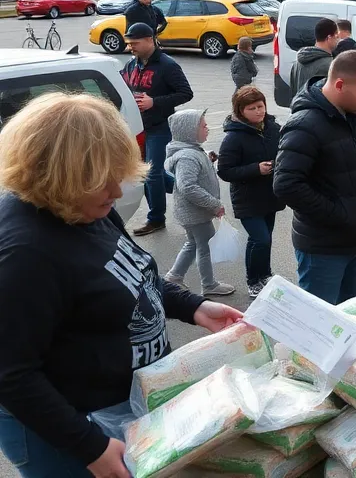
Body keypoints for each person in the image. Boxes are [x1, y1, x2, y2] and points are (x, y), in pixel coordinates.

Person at [0, 93, 242, 478]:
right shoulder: (24, 252)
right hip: (69, 430)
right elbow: (11, 374)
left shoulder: (85, 207)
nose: (117, 192)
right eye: (104, 180)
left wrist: (193, 306)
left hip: (123, 407)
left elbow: (135, 273)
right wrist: (89, 446)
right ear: (59, 176)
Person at [274, 50, 356, 305]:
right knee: (321, 324)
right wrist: (341, 215)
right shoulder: (304, 124)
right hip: (324, 250)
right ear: (339, 85)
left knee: (354, 318)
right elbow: (287, 185)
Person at [121, 22, 194, 236]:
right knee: (151, 174)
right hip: (136, 127)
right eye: (129, 43)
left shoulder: (167, 65)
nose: (131, 47)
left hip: (159, 126)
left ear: (149, 40)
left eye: (134, 43)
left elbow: (185, 93)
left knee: (151, 174)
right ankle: (189, 190)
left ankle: (156, 219)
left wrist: (155, 102)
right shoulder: (132, 64)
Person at [217, 86, 284, 298]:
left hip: (270, 194)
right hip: (247, 198)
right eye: (252, 108)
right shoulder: (233, 138)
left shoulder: (273, 128)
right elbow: (225, 171)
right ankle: (253, 281)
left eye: (261, 106)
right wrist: (256, 169)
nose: (258, 111)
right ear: (240, 111)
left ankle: (265, 274)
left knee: (267, 238)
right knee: (259, 239)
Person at [163, 109, 235, 296]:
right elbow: (187, 186)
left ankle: (174, 276)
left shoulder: (192, 150)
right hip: (195, 214)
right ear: (189, 131)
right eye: (203, 126)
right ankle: (209, 284)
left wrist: (207, 158)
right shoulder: (188, 156)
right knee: (205, 247)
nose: (207, 128)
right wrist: (214, 204)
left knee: (193, 243)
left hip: (192, 213)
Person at [289, 17, 339, 97]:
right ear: (329, 38)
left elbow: (292, 92)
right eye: (336, 36)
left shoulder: (297, 63)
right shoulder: (330, 66)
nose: (338, 39)